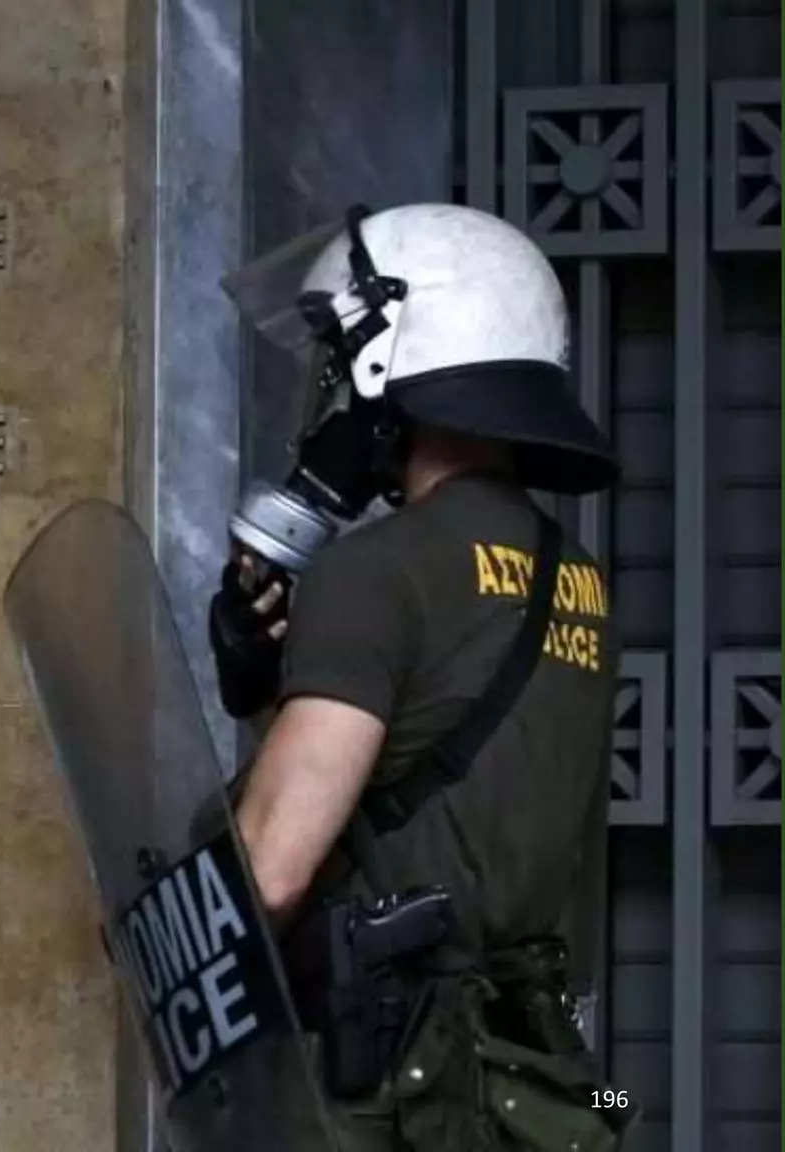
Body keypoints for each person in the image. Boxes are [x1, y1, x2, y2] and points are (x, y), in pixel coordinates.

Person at [210, 203, 630, 1150]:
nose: (330, 388)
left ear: (394, 358)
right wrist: (271, 681)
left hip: (391, 1098)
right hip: (529, 1089)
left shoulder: (375, 571)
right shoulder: (577, 580)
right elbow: (444, 783)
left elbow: (271, 872)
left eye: (340, 353)